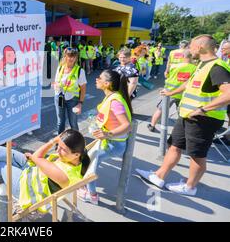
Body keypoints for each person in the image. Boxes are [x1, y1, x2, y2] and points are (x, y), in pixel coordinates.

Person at [136, 35, 230, 196]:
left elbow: (228, 93)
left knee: (197, 155)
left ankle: (190, 186)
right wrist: (171, 92)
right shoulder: (202, 64)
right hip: (188, 115)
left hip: (203, 119)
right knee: (174, 145)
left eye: (191, 46)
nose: (188, 50)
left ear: (200, 47)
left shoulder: (217, 66)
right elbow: (189, 84)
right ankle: (159, 176)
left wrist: (204, 109)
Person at [0, 129, 90, 215]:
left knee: (2, 162)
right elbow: (37, 157)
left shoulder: (66, 177)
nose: (57, 151)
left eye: (62, 149)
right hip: (33, 171)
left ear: (76, 154)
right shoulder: (74, 159)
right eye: (58, 146)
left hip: (27, 189)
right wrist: (54, 141)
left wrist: (33, 158)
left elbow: (36, 157)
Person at [78, 70, 133, 205]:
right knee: (88, 160)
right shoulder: (111, 97)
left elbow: (127, 126)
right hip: (109, 142)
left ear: (107, 84)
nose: (96, 79)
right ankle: (87, 188)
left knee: (88, 162)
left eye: (99, 78)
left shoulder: (115, 101)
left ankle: (92, 195)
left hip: (114, 145)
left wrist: (107, 134)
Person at [147, 50, 197, 132]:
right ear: (191, 57)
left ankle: (152, 125)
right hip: (183, 94)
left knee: (160, 109)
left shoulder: (174, 66)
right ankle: (183, 130)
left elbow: (167, 76)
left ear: (183, 57)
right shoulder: (194, 68)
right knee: (182, 113)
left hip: (169, 92)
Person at [53, 48, 87, 135]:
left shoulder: (80, 71)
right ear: (65, 57)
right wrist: (55, 85)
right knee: (60, 122)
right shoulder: (60, 68)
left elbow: (83, 88)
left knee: (73, 123)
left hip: (73, 100)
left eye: (74, 57)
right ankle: (60, 142)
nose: (71, 59)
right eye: (69, 56)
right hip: (59, 97)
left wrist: (80, 103)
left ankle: (77, 143)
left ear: (76, 58)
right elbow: (56, 82)